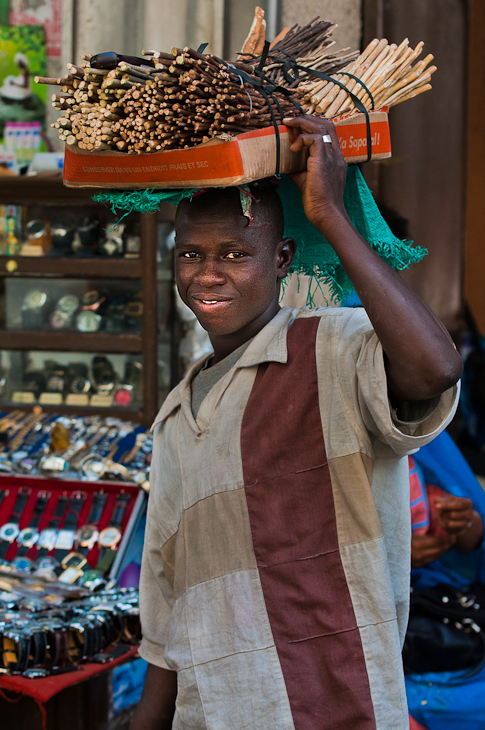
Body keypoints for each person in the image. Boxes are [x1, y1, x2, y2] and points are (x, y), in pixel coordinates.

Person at [130, 115, 462, 730]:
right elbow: (167, 604)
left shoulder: (334, 347)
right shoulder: (177, 414)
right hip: (214, 710)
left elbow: (435, 370)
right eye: (192, 256)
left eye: (235, 254)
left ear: (282, 258)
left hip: (335, 705)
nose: (208, 274)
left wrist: (329, 215)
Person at [406, 430, 485, 730]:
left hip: (437, 604)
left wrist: (463, 521)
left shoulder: (416, 460)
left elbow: (469, 541)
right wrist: (389, 555)